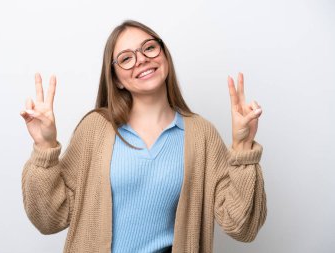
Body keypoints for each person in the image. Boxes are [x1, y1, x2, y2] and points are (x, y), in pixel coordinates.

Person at [20, 20, 266, 253]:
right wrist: (45, 147)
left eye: (149, 48)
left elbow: (241, 227)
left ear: (164, 56)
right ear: (116, 79)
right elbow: (50, 219)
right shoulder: (95, 128)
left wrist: (243, 148)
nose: (141, 60)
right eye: (126, 58)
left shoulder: (201, 135)